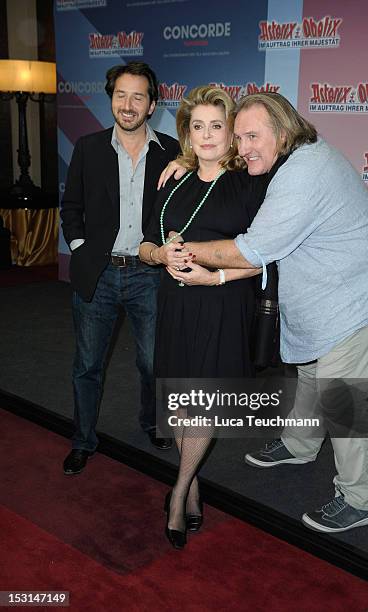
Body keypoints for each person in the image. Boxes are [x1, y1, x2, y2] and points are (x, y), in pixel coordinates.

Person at [164, 92, 368, 533]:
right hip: (329, 292)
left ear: (282, 132)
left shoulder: (303, 174)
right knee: (313, 373)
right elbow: (221, 166)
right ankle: (299, 443)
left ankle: (359, 498)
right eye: (238, 137)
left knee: (338, 393)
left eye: (253, 136)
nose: (243, 146)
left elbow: (253, 248)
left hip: (360, 294)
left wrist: (181, 252)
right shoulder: (288, 160)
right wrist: (186, 161)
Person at [139, 86, 269, 549]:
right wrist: (161, 255)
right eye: (198, 126)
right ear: (187, 133)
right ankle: (193, 486)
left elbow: (263, 257)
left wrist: (212, 276)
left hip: (220, 302)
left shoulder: (249, 183)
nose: (208, 135)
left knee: (202, 401)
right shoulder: (172, 179)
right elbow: (143, 244)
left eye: (218, 125)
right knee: (178, 398)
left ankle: (177, 494)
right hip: (174, 302)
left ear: (231, 131)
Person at [60, 61, 179, 476]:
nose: (127, 105)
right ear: (111, 99)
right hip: (99, 274)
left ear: (152, 105)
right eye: (120, 95)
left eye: (138, 97)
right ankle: (82, 440)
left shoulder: (171, 153)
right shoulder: (88, 147)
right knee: (87, 364)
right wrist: (81, 249)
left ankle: (152, 422)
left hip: (149, 275)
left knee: (152, 362)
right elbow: (70, 207)